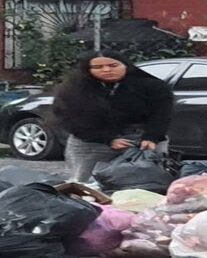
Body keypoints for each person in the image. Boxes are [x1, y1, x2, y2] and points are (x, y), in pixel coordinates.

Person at [51, 51, 175, 182]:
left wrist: (152, 137)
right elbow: (66, 118)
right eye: (98, 67)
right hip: (91, 140)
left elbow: (162, 114)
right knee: (87, 182)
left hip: (141, 139)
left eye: (113, 65)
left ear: (125, 65)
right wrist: (106, 139)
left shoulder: (153, 86)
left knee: (145, 181)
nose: (107, 70)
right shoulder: (73, 90)